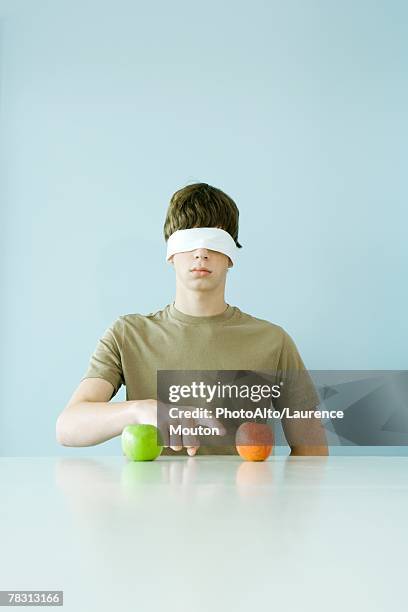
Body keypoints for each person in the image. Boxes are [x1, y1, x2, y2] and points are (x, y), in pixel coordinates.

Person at [56, 182, 328, 456]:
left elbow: (312, 450)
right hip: (149, 498)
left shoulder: (273, 341)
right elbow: (68, 427)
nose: (201, 253)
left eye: (215, 241)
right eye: (188, 241)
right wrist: (141, 409)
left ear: (231, 255)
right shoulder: (127, 334)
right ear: (171, 254)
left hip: (245, 498)